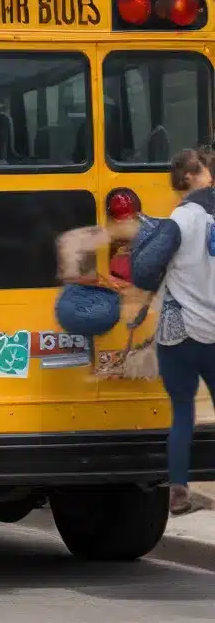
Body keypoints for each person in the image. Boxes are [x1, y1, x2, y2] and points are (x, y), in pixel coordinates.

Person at [131, 148, 215, 515]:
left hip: (178, 334)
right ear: (189, 179)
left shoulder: (178, 222)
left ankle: (178, 490)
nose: (210, 177)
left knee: (182, 411)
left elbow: (145, 269)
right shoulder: (204, 218)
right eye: (205, 171)